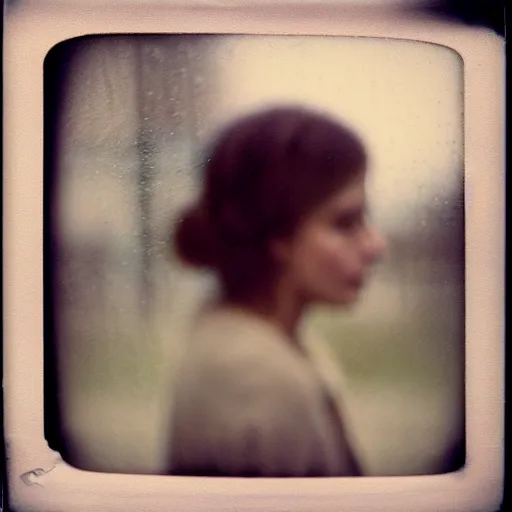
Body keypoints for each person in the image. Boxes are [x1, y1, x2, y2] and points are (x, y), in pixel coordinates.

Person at [166, 105, 386, 477]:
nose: (376, 245)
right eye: (345, 222)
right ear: (277, 235)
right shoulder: (255, 379)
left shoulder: (262, 340)